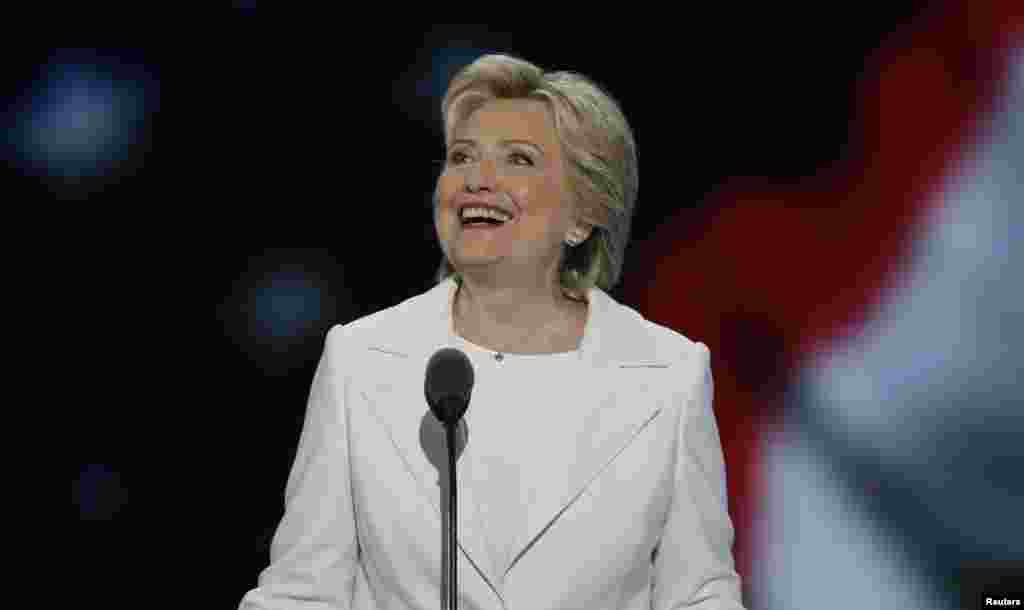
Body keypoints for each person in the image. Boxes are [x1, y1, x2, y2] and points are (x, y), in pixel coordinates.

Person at [238, 53, 745, 609]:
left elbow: (700, 596)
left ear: (583, 214)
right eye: (461, 157)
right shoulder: (359, 360)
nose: (477, 180)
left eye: (519, 160)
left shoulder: (669, 376)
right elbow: (301, 594)